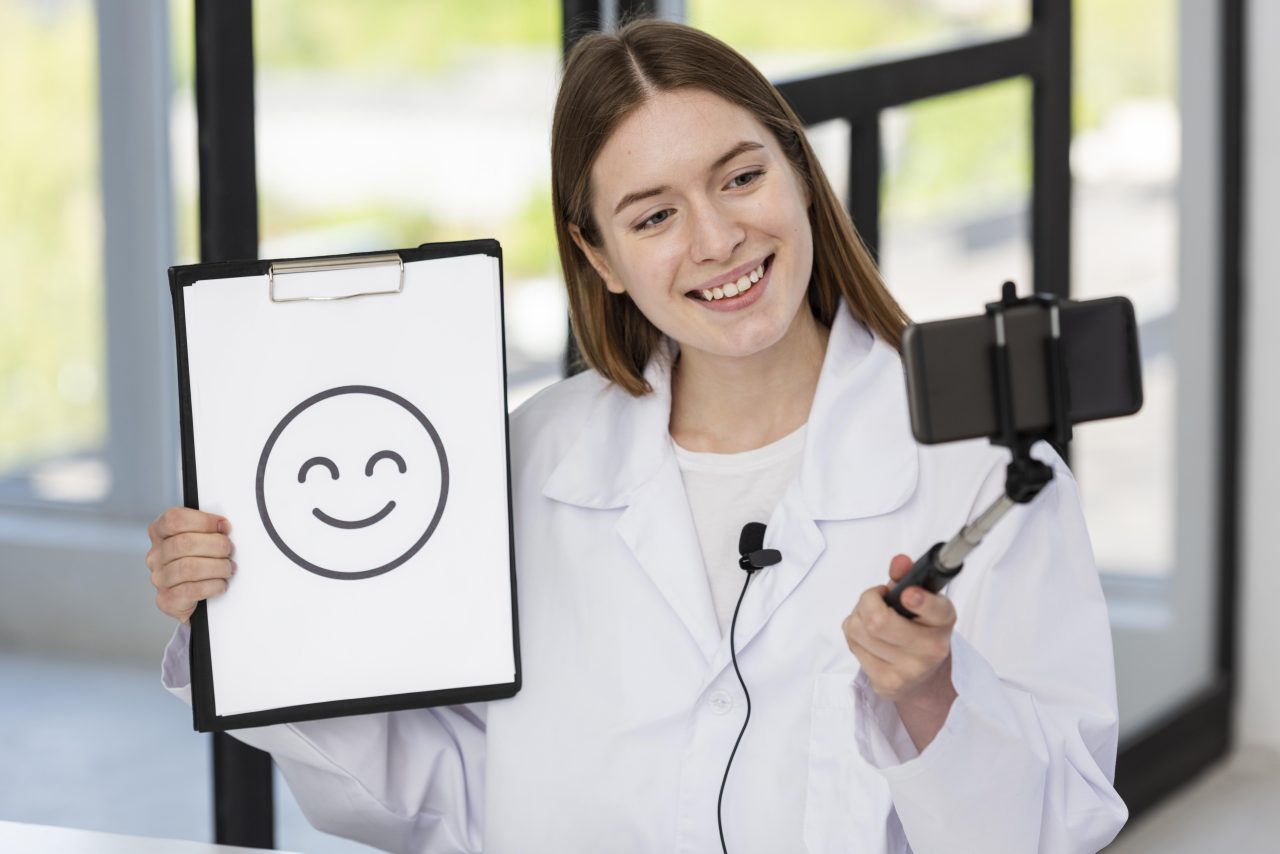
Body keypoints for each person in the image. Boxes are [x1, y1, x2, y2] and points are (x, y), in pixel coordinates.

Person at [146, 18, 1127, 854]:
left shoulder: (978, 471)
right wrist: (248, 612)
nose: (714, 239)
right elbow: (442, 782)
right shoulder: (528, 464)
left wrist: (932, 700)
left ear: (795, 169)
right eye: (652, 215)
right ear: (597, 256)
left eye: (739, 176)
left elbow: (1062, 820)